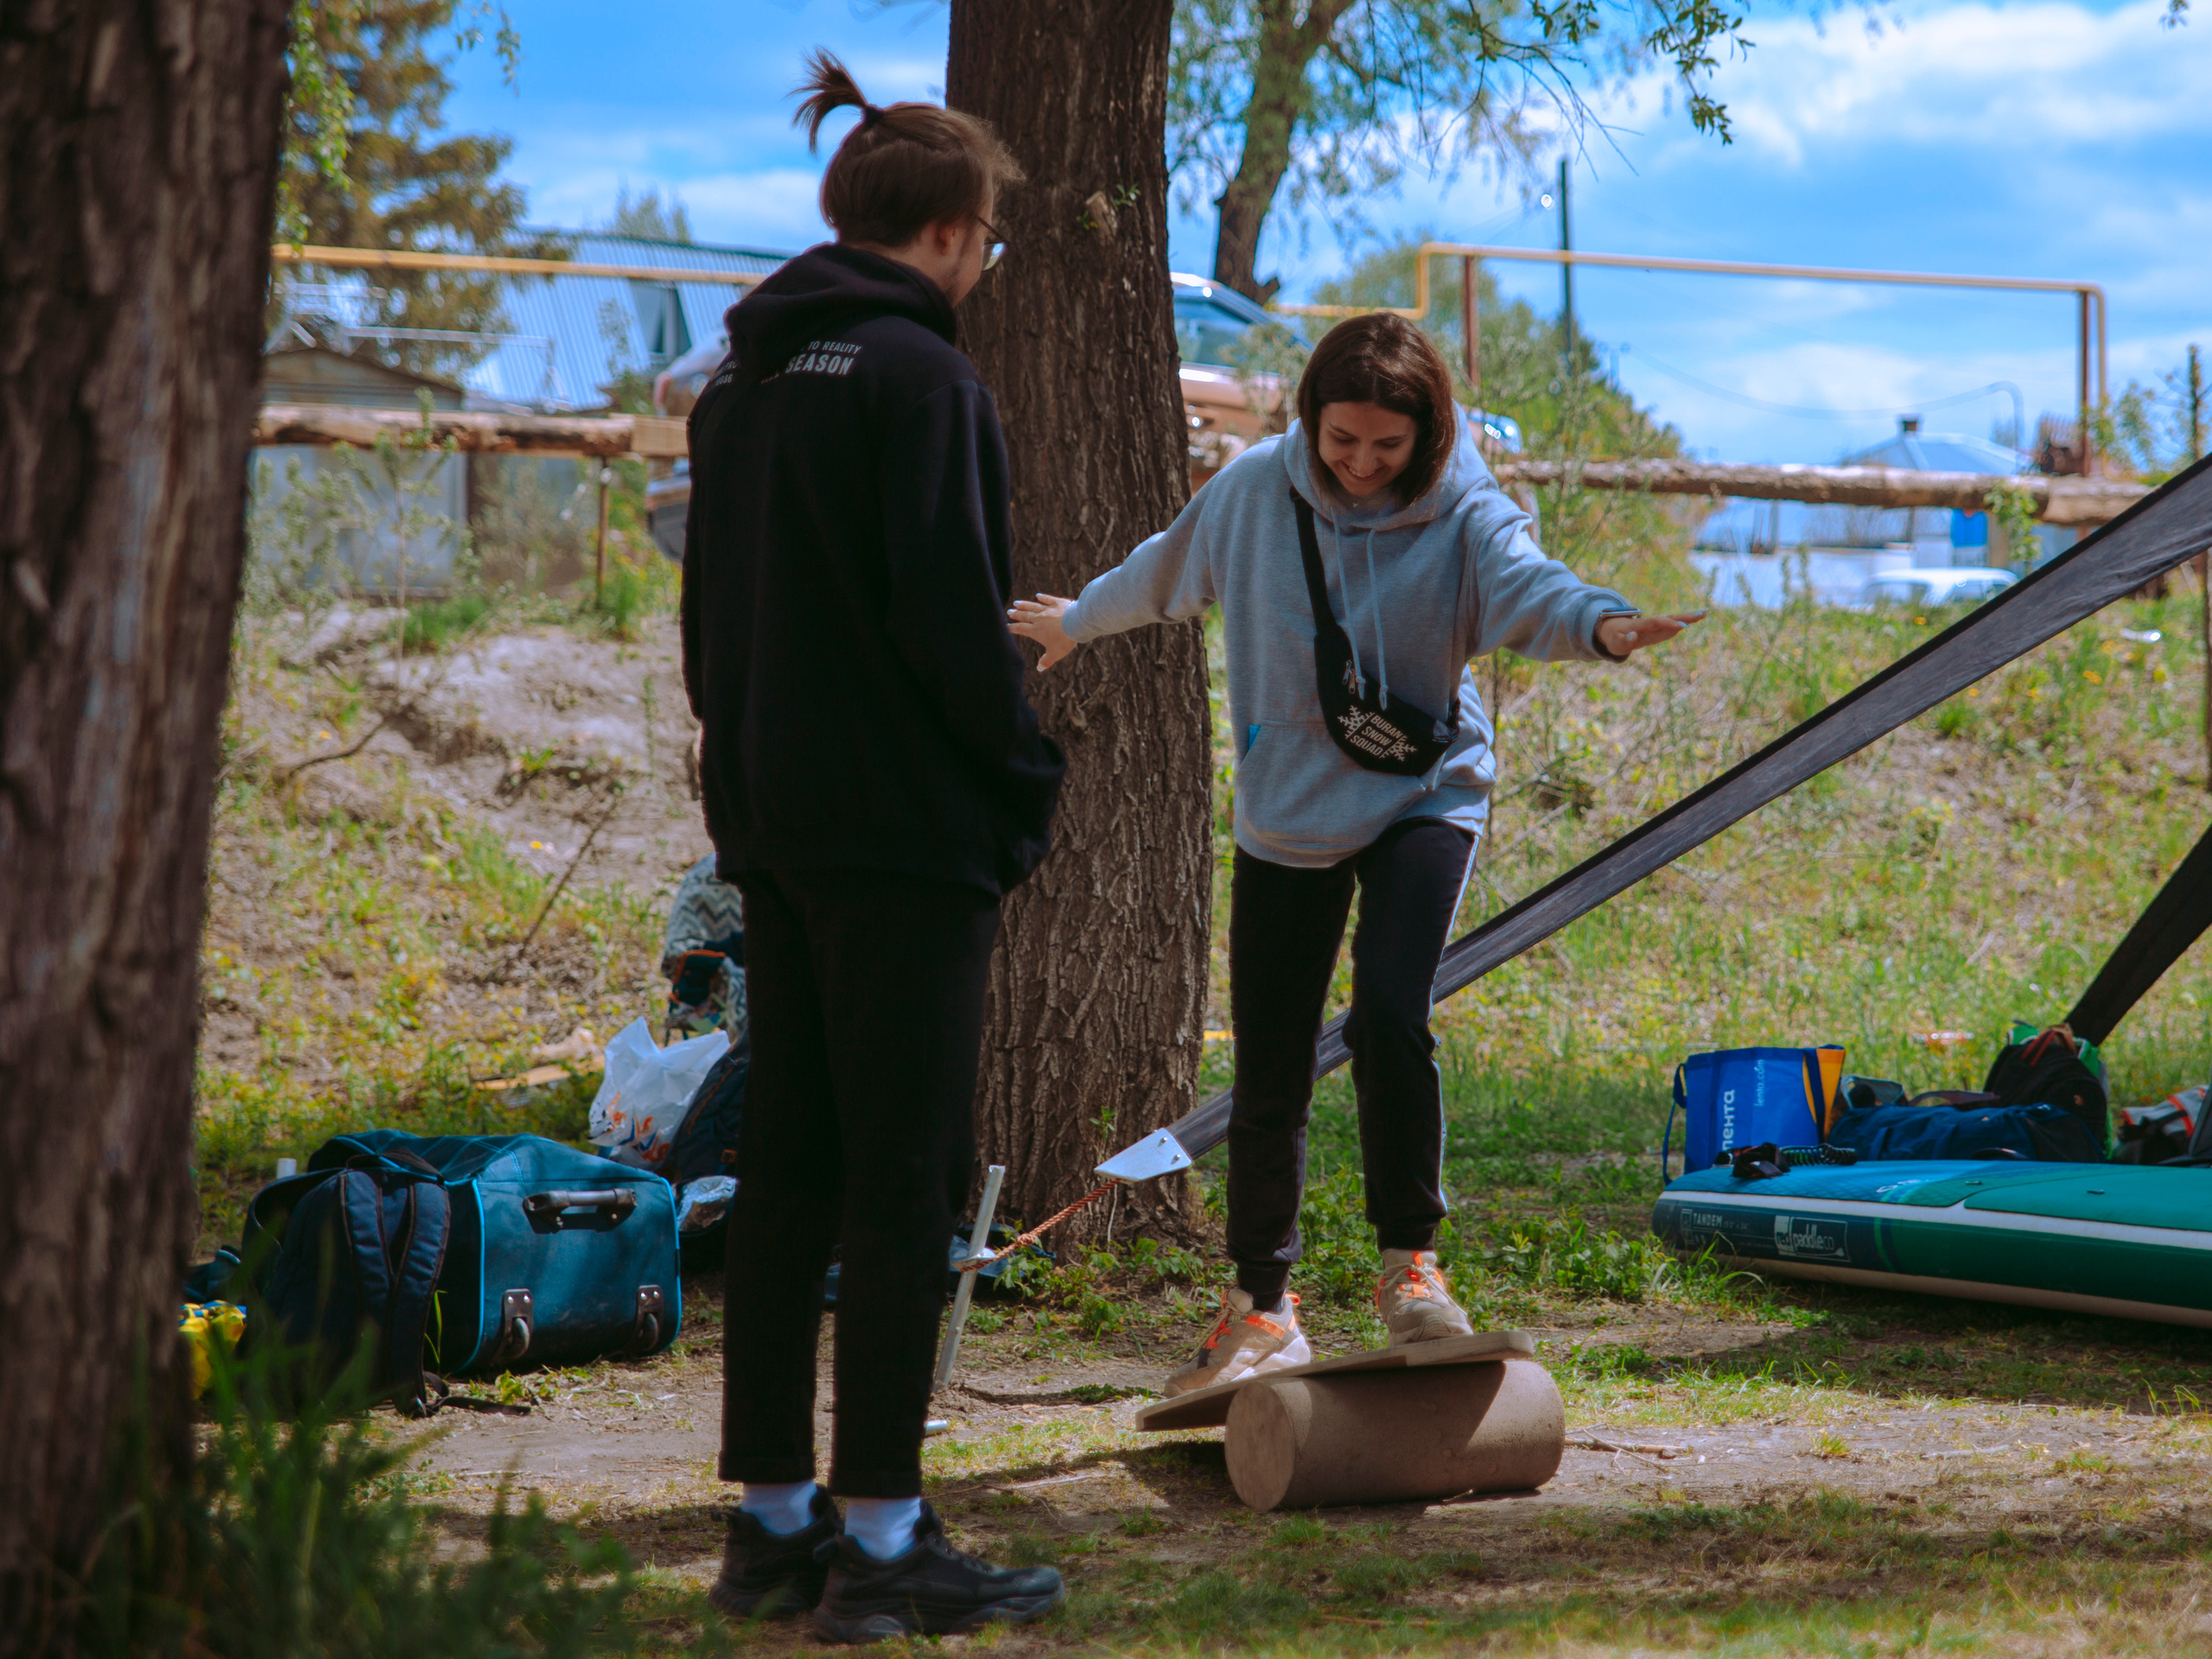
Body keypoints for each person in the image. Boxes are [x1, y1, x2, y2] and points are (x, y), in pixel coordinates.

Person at [1009, 314, 1698, 1395]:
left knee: (1389, 1012)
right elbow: (1166, 567)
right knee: (1273, 1062)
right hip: (1289, 806)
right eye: (1344, 443)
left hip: (1426, 791)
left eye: (1389, 446)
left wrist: (1601, 625)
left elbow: (1529, 583)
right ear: (1310, 423)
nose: (1366, 466)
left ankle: (1411, 1273)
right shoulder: (1250, 494)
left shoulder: (1464, 505)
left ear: (1428, 434)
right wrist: (1078, 621)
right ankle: (1260, 1307)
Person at [682, 49, 1068, 1643]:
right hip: (907, 838)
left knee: (789, 1173)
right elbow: (948, 619)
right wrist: (1020, 780)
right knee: (901, 1191)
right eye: (987, 239)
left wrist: (748, 793)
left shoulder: (742, 389)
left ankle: (773, 1521)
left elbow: (710, 632)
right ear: (957, 230)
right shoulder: (926, 384)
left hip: (775, 820)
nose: (984, 264)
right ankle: (887, 1543)